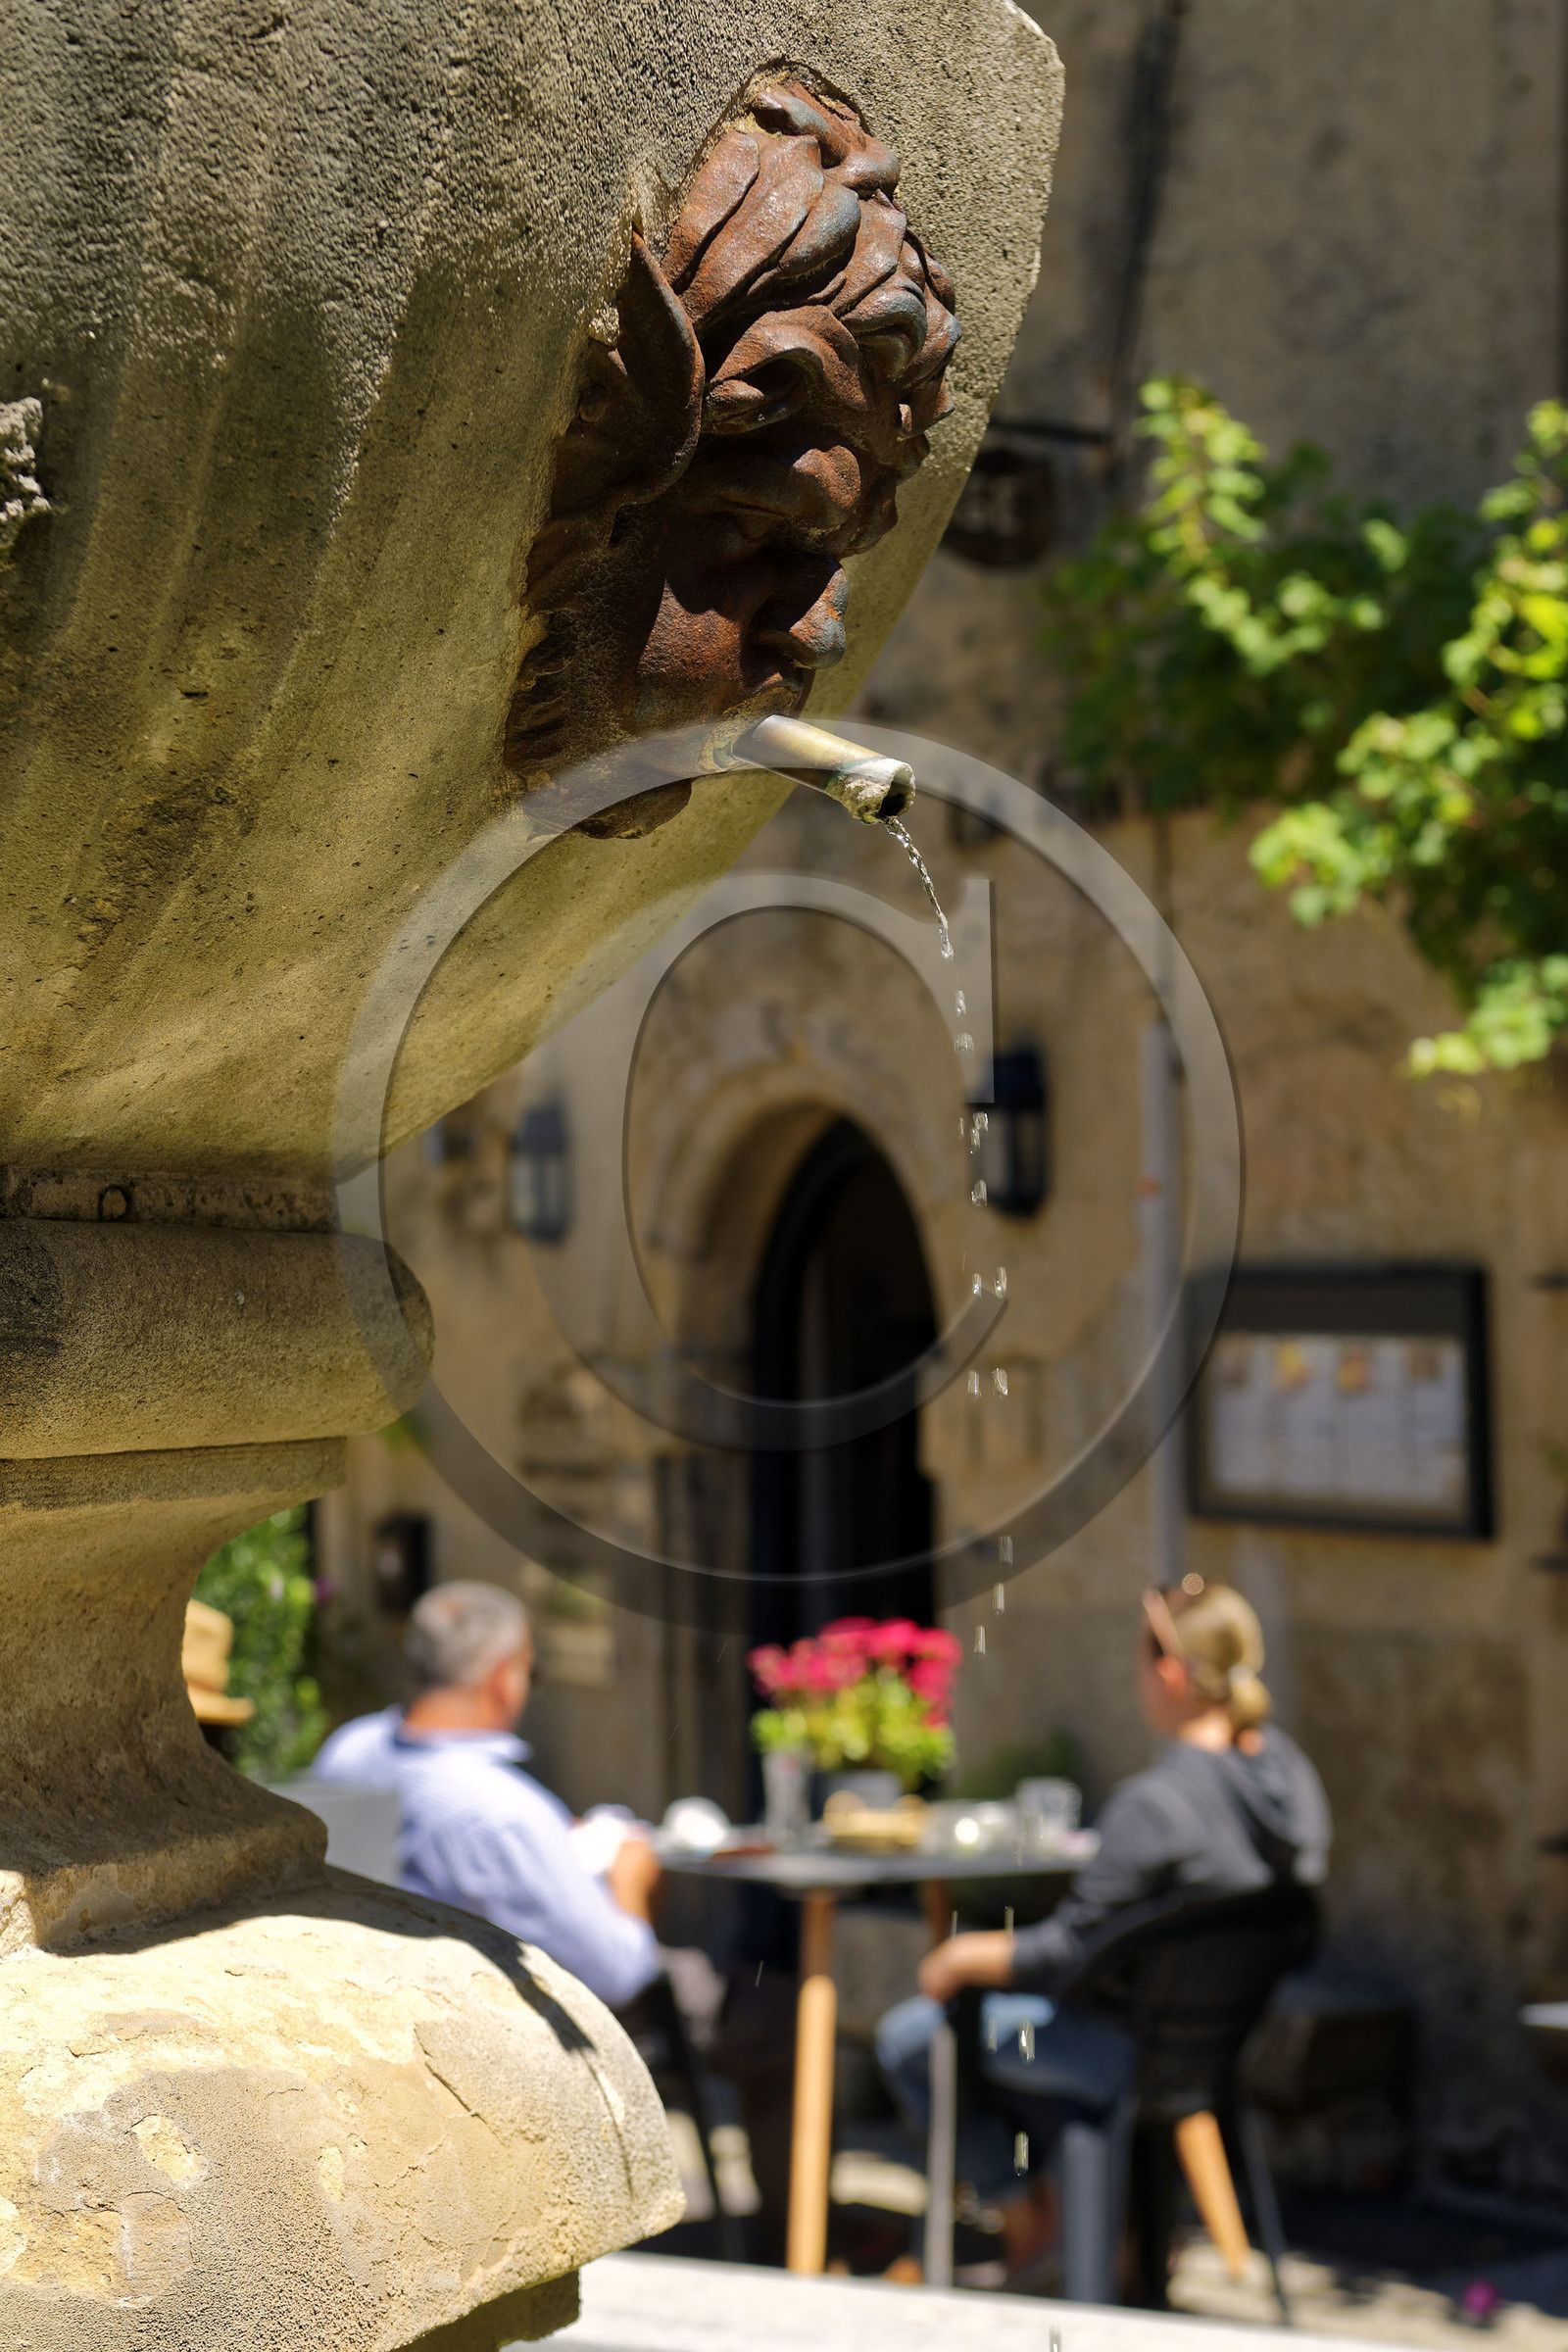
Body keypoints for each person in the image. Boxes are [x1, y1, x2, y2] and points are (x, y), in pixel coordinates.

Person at [875, 1578, 1331, 2271]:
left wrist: (963, 1956)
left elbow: (1060, 1955)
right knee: (1003, 2029)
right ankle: (1097, 2228)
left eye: (1142, 1657)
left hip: (1122, 2051)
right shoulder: (1290, 1779)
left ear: (1171, 1673)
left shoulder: (1155, 1806)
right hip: (1221, 2048)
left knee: (911, 2037)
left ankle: (1030, 2217)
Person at [314, 1581, 662, 2007]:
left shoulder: (349, 1749)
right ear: (504, 1678)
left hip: (362, 1993)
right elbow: (618, 1975)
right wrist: (631, 1878)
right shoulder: (504, 1813)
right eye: (531, 1672)